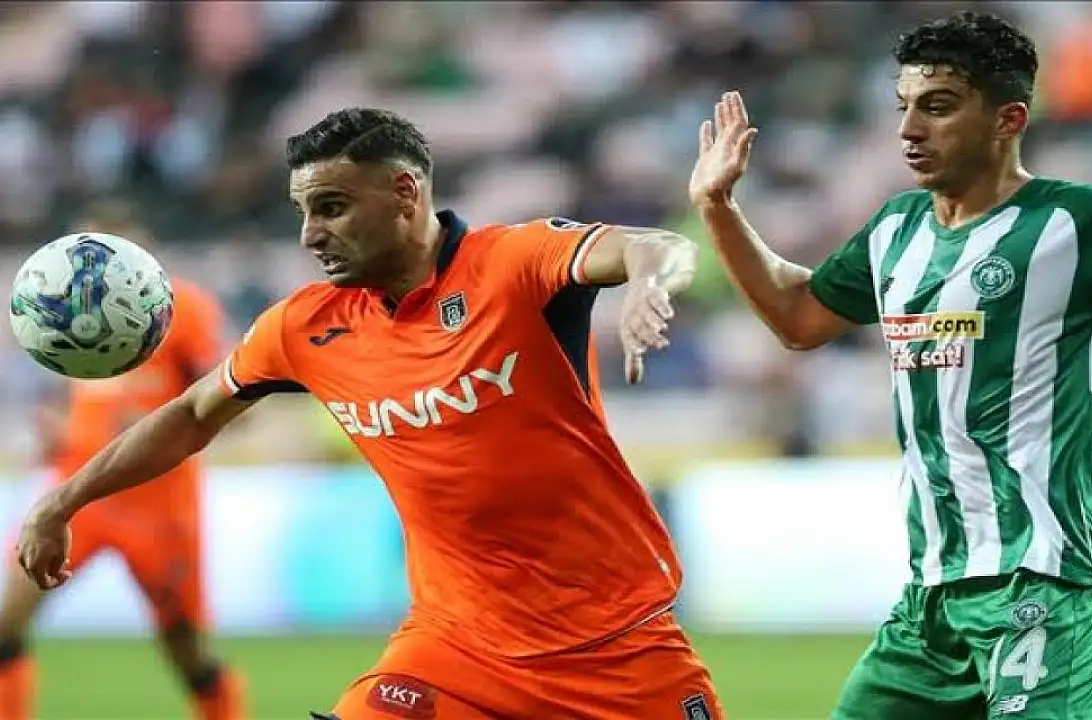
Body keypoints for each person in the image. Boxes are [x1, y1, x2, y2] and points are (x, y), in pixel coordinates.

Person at [15, 108, 722, 720]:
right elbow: (193, 414)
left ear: (405, 193)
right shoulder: (304, 327)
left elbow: (659, 245)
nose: (309, 234)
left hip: (616, 646)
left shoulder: (512, 264)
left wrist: (648, 283)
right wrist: (62, 501)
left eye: (331, 207)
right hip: (455, 648)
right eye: (304, 212)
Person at [689, 11, 1092, 720]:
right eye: (904, 106)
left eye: (938, 107)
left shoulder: (1081, 223)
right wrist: (716, 205)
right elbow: (798, 317)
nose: (910, 129)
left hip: (1051, 578)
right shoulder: (896, 228)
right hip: (932, 597)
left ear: (1008, 119)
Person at [0, 200, 246, 720]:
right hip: (75, 492)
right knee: (5, 625)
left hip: (158, 500)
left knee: (186, 650)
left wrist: (155, 422)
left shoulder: (184, 308)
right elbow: (76, 394)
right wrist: (57, 428)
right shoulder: (63, 305)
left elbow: (224, 398)